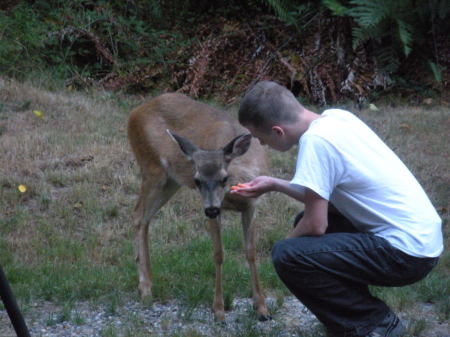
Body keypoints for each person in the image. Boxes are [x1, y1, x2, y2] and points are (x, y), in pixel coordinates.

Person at [231, 81, 443, 337]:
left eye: (260, 138)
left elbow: (315, 225)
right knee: (305, 238)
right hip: (422, 239)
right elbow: (319, 195)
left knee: (290, 255)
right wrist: (274, 184)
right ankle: (358, 315)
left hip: (406, 254)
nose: (262, 146)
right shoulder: (337, 118)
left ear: (278, 131)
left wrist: (283, 251)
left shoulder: (316, 143)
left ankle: (374, 324)